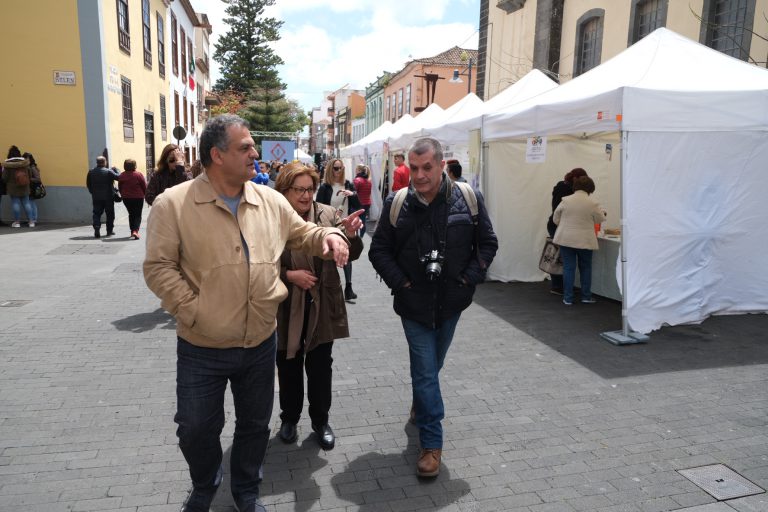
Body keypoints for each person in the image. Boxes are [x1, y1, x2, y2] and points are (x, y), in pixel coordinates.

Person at [143, 114, 356, 512]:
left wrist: (330, 234)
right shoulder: (173, 204)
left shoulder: (270, 201)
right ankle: (205, 482)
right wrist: (193, 310)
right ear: (216, 155)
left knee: (255, 426)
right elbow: (158, 268)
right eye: (245, 147)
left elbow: (304, 232)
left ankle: (246, 489)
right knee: (195, 429)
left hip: (260, 341)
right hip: (201, 344)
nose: (255, 153)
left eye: (253, 146)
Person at [369, 137, 498, 477]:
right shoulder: (397, 202)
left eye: (427, 167)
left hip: (453, 302)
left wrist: (469, 279)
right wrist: (403, 283)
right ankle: (431, 444)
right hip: (413, 304)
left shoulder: (468, 199)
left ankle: (421, 402)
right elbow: (378, 250)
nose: (420, 175)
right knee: (426, 372)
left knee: (432, 367)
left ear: (442, 165)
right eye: (413, 168)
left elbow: (487, 243)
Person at [274, 162, 364, 450]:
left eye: (309, 189)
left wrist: (350, 235)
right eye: (298, 189)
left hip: (322, 303)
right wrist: (289, 275)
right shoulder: (272, 218)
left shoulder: (329, 213)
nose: (305, 195)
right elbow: (256, 263)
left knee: (320, 366)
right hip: (285, 304)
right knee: (288, 364)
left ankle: (320, 421)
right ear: (284, 190)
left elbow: (352, 255)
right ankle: (289, 419)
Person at [553, 175, 607, 306]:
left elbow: (555, 218)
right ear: (590, 188)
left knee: (568, 268)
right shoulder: (593, 203)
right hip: (585, 240)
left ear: (575, 186)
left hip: (566, 238)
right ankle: (586, 296)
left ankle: (568, 298)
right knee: (586, 267)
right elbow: (600, 219)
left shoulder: (565, 200)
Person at [317, 159, 361, 301]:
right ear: (330, 169)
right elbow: (318, 207)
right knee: (329, 258)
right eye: (336, 168)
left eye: (341, 168)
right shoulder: (325, 187)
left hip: (345, 225)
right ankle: (329, 287)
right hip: (330, 225)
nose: (339, 171)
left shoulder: (348, 184)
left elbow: (358, 205)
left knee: (347, 255)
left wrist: (352, 194)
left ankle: (349, 287)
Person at [546, 168, 588, 295]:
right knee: (559, 257)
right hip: (559, 225)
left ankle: (561, 285)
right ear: (576, 179)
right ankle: (558, 286)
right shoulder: (568, 191)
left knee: (558, 256)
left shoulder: (560, 186)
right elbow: (562, 211)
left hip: (555, 224)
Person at [2, 146, 36, 228]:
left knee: (15, 203)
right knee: (27, 203)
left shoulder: (7, 165)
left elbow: (4, 178)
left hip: (12, 187)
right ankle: (31, 222)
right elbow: (30, 174)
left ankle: (17, 223)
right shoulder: (25, 163)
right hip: (24, 186)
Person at [86, 156, 119, 238]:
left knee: (96, 213)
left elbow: (88, 184)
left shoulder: (91, 171)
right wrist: (116, 170)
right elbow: (118, 177)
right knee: (110, 214)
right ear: (105, 162)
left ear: (97, 162)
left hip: (96, 197)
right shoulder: (109, 171)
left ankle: (97, 227)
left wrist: (92, 192)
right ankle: (109, 231)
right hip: (108, 197)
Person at [117, 158, 148, 239]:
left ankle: (132, 231)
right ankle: (135, 231)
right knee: (137, 215)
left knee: (131, 214)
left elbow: (120, 187)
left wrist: (122, 194)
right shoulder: (138, 175)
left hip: (126, 198)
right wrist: (147, 195)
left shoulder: (122, 175)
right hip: (138, 198)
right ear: (134, 166)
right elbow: (144, 186)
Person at [353, 164, 372, 237]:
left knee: (355, 221)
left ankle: (356, 237)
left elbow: (354, 193)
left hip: (359, 203)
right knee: (363, 220)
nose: (355, 171)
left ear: (359, 170)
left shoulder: (357, 180)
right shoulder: (368, 181)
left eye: (356, 169)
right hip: (367, 203)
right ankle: (361, 237)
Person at [23, 152, 43, 223]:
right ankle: (31, 218)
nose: (26, 160)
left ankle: (34, 218)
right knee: (29, 203)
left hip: (32, 188)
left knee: (31, 203)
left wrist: (29, 179)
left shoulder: (32, 167)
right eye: (25, 159)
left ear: (31, 159)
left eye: (27, 159)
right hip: (28, 187)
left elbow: (38, 179)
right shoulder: (26, 167)